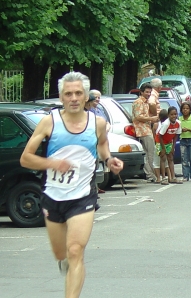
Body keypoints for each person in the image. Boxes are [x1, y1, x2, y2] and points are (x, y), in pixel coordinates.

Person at [20, 72, 124, 298]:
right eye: (69, 94)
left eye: (78, 93)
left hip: (82, 197)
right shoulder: (50, 122)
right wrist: (52, 163)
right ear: (61, 97)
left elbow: (103, 146)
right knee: (61, 254)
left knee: (75, 250)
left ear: (86, 95)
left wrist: (109, 160)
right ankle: (64, 262)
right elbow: (25, 158)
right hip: (53, 197)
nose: (74, 98)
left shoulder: (97, 123)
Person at [132, 83, 159, 182]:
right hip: (142, 130)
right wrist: (151, 119)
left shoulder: (146, 102)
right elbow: (138, 116)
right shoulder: (138, 102)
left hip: (146, 129)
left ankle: (150, 175)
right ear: (141, 92)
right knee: (151, 153)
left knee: (148, 154)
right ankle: (152, 175)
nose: (148, 94)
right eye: (146, 92)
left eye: (150, 92)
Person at [156, 106, 182, 184]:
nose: (174, 116)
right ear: (168, 115)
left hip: (169, 142)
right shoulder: (166, 124)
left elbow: (176, 135)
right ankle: (164, 178)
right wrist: (163, 149)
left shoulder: (178, 123)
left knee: (170, 158)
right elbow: (160, 135)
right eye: (171, 114)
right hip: (160, 142)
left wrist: (172, 147)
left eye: (175, 114)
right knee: (163, 158)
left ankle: (173, 177)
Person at [179, 102, 191, 181]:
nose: (185, 110)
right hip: (183, 140)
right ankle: (185, 176)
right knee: (184, 159)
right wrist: (181, 130)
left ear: (190, 110)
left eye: (187, 108)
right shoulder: (180, 119)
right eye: (183, 108)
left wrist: (188, 129)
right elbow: (177, 130)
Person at [152, 109, 171, 184]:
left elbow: (154, 135)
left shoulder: (156, 125)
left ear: (159, 117)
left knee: (156, 162)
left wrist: (155, 144)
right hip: (166, 144)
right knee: (166, 161)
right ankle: (169, 176)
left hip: (158, 144)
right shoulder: (168, 124)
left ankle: (158, 178)